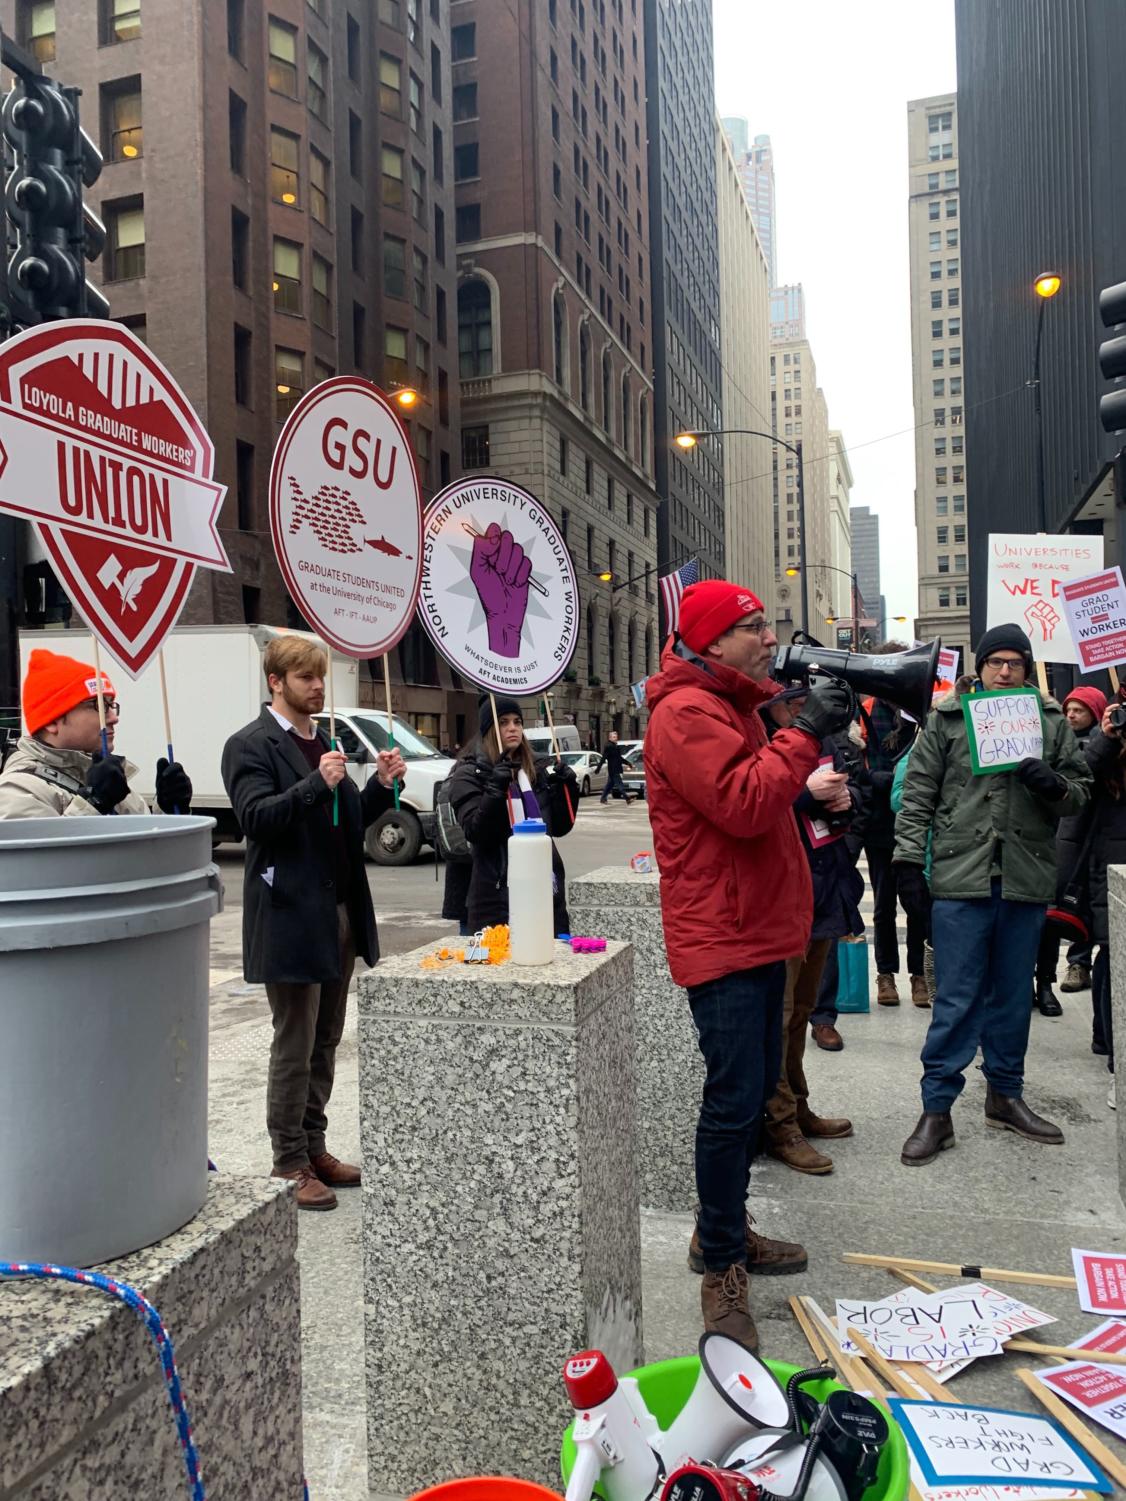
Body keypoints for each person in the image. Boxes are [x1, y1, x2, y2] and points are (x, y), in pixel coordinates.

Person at [644, 578, 854, 1349]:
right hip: (725, 938)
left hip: (756, 932)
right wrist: (804, 741)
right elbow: (736, 802)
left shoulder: (732, 707)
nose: (770, 638)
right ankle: (722, 1269)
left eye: (766, 625)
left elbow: (754, 802)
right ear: (710, 641)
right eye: (753, 626)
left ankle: (721, 1230)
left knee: (751, 1090)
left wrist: (810, 795)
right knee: (731, 1104)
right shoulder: (685, 712)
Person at [221, 635, 406, 1211]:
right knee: (295, 1042)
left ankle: (316, 1145)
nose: (318, 687)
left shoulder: (321, 742)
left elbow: (345, 824)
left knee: (326, 1038)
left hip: (338, 913)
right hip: (290, 915)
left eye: (320, 677)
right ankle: (289, 1161)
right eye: (305, 678)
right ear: (276, 682)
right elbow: (256, 819)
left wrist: (376, 788)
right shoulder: (250, 745)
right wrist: (313, 784)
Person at [894, 624, 1091, 1166]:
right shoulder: (948, 719)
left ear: (1028, 669)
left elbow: (1078, 795)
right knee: (955, 999)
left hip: (1024, 879)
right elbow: (918, 795)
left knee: (1011, 997)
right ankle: (937, 1109)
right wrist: (910, 860)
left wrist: (1052, 785)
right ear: (979, 667)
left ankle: (1005, 1095)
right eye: (995, 662)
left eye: (1015, 662)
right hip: (962, 878)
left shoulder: (1052, 724)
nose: (1004, 670)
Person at [762, 686, 861, 1173]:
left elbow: (856, 792)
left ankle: (797, 1106)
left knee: (802, 1008)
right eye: (793, 698)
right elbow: (750, 800)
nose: (804, 706)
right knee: (780, 1016)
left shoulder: (825, 737)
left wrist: (843, 801)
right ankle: (779, 1123)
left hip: (822, 886)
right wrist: (805, 795)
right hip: (782, 894)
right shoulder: (758, 737)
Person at [0, 647, 192, 819]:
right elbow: (42, 857)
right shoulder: (16, 790)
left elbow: (147, 853)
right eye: (98, 706)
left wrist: (169, 812)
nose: (113, 717)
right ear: (52, 722)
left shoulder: (109, 782)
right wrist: (94, 803)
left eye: (111, 705)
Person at [447, 696, 579, 934]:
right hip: (496, 896)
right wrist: (496, 789)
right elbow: (477, 832)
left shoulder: (534, 770)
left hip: (546, 890)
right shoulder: (468, 774)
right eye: (504, 722)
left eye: (517, 722)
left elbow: (559, 828)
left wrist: (567, 790)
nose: (513, 728)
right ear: (490, 730)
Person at [858, 643, 927, 1009]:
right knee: (884, 903)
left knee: (917, 901)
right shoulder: (866, 710)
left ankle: (919, 975)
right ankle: (886, 975)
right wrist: (883, 779)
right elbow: (856, 764)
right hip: (881, 822)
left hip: (915, 820)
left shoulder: (923, 711)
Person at [1033, 685, 1106, 1019]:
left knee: (1064, 916)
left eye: (1080, 710)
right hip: (1046, 839)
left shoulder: (1101, 743)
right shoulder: (1045, 737)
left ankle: (1051, 980)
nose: (1072, 715)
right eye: (1069, 709)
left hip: (1085, 839)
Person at [599, 729, 633, 804]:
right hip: (614, 770)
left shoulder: (615, 746)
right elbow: (603, 758)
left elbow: (619, 758)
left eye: (616, 737)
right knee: (620, 784)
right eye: (614, 737)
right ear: (610, 738)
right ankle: (627, 799)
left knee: (609, 785)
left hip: (614, 769)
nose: (616, 738)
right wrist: (598, 768)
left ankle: (603, 799)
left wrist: (628, 763)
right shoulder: (609, 746)